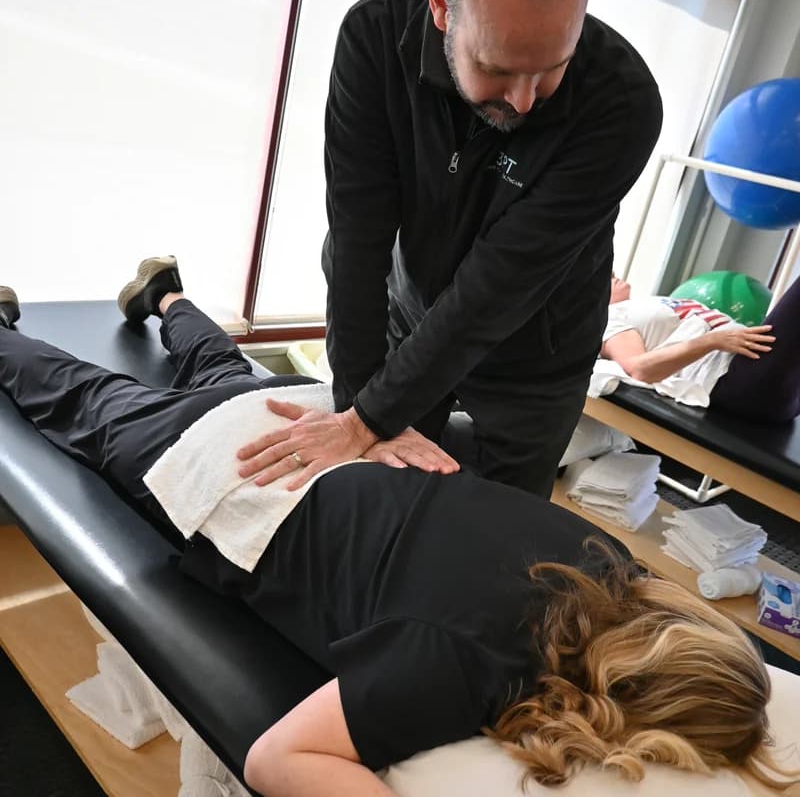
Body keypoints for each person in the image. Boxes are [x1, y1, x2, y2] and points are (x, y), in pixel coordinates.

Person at [1, 260, 796, 797]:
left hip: (327, 425)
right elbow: (279, 759)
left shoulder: (608, 557)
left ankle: (169, 297)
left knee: (226, 372)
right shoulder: (475, 666)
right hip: (241, 472)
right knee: (82, 399)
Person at [235, 0, 664, 499]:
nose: (524, 100)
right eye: (496, 68)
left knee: (503, 537)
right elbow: (357, 240)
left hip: (539, 349)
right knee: (378, 496)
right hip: (412, 312)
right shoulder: (375, 36)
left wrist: (367, 418)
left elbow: (501, 283)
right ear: (441, 8)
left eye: (552, 70)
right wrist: (358, 410)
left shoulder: (622, 98)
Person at [599, 273, 800, 423]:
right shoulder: (608, 318)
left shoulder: (643, 302)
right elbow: (640, 369)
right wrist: (712, 341)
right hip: (738, 378)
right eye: (607, 277)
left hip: (772, 386)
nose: (614, 275)